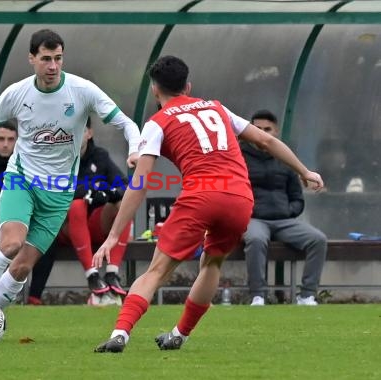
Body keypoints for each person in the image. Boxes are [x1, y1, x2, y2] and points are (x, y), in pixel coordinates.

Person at [93, 55, 323, 353]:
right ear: (187, 86)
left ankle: (120, 333)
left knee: (157, 271)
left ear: (154, 90)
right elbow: (265, 142)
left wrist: (113, 235)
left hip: (200, 196)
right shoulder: (216, 107)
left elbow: (139, 183)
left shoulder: (158, 121)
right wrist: (304, 171)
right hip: (240, 198)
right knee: (212, 262)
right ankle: (180, 334)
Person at [0, 29, 140, 340]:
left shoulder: (81, 90)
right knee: (11, 244)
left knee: (22, 267)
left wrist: (135, 147)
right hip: (22, 180)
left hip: (58, 194)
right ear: (32, 59)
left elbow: (126, 122)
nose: (53, 66)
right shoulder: (17, 94)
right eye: (46, 59)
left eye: (58, 58)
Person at [28, 117, 131, 305]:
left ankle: (111, 273)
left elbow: (124, 185)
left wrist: (107, 193)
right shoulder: (58, 159)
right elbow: (55, 193)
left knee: (124, 206)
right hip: (65, 227)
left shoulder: (100, 156)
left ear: (89, 133)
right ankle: (92, 274)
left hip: (95, 225)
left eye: (80, 131)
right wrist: (90, 190)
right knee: (76, 205)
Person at [241, 110, 327, 306]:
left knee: (318, 239)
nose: (262, 132)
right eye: (257, 128)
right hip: (254, 219)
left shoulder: (284, 158)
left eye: (267, 129)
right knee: (255, 239)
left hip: (284, 220)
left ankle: (307, 295)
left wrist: (288, 211)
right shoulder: (239, 156)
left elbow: (297, 197)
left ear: (276, 131)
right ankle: (258, 296)